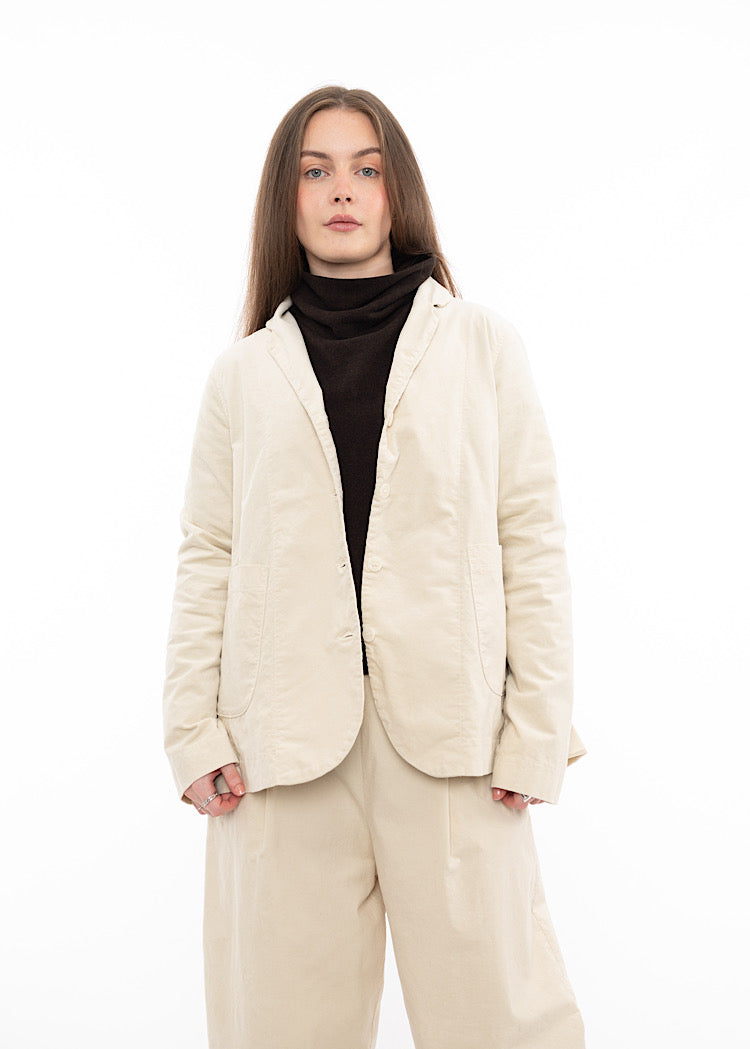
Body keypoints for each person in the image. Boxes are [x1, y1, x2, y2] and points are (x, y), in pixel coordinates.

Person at [162, 84, 588, 1049]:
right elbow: (208, 554)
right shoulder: (242, 375)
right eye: (315, 170)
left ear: (400, 192)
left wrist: (536, 730)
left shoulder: (482, 345)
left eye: (366, 168)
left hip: (456, 741)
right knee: (278, 1027)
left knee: (503, 1023)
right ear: (286, 196)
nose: (341, 189)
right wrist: (193, 730)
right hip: (278, 749)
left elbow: (531, 538)